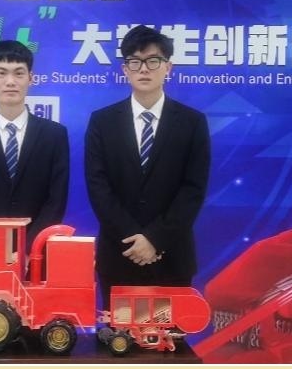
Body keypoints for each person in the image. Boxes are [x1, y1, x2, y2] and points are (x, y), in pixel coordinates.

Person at [84, 25, 211, 304]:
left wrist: (155, 239)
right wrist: (134, 239)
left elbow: (193, 189)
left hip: (172, 257)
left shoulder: (192, 123)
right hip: (120, 254)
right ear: (124, 69)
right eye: (135, 61)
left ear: (168, 67)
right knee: (120, 332)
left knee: (169, 333)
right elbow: (98, 186)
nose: (144, 69)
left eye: (153, 61)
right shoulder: (102, 122)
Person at [0, 40, 70, 248]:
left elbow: (56, 200)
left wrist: (30, 249)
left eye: (18, 73)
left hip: (36, 254)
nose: (10, 82)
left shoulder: (54, 135)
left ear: (31, 78)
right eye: (1, 73)